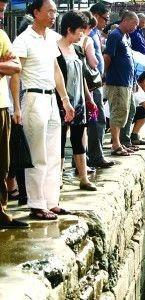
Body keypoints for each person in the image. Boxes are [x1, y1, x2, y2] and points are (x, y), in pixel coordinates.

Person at [11, 0, 75, 220]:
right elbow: (16, 75)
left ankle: (51, 200)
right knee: (38, 155)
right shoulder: (23, 40)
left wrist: (65, 100)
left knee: (54, 153)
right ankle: (37, 204)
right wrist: (16, 107)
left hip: (51, 99)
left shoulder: (52, 38)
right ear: (36, 12)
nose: (53, 15)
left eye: (55, 12)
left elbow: (56, 69)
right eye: (49, 11)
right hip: (33, 97)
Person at [57, 10, 97, 191]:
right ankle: (57, 179)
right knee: (59, 140)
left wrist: (89, 98)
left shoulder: (78, 49)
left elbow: (81, 77)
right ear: (69, 29)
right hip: (62, 101)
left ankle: (84, 178)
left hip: (79, 101)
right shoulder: (55, 49)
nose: (82, 33)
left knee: (78, 139)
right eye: (80, 29)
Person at [0, 26, 27, 228]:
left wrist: (8, 63)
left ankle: (1, 212)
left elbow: (16, 66)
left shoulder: (1, 35)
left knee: (3, 163)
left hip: (1, 107)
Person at [103, 10, 138, 156]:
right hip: (117, 81)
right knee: (118, 111)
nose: (135, 27)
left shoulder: (126, 37)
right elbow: (107, 57)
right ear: (125, 20)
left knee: (129, 110)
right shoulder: (115, 36)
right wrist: (104, 75)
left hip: (127, 81)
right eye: (134, 24)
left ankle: (122, 140)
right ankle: (115, 144)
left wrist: (134, 80)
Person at [88, 2, 114, 169]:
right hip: (91, 83)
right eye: (105, 19)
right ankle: (95, 156)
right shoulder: (89, 33)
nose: (106, 22)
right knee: (96, 121)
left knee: (97, 120)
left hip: (97, 80)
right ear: (96, 16)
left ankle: (94, 155)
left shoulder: (95, 33)